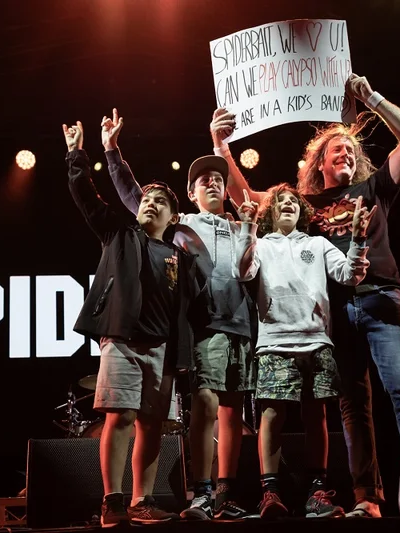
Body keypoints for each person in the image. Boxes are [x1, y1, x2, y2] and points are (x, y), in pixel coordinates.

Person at [215, 72, 400, 516]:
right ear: (320, 163)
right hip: (334, 313)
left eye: (352, 148)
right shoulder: (304, 205)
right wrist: (222, 148)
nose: (347, 151)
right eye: (337, 149)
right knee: (353, 406)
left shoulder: (374, 189)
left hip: (382, 300)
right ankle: (366, 498)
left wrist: (372, 99)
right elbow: (248, 195)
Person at [100, 108, 260, 521]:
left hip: (240, 324)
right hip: (202, 327)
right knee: (204, 404)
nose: (213, 181)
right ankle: (201, 491)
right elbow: (135, 198)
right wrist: (113, 152)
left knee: (233, 410)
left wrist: (223, 147)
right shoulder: (181, 224)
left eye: (219, 178)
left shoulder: (242, 222)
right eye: (203, 179)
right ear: (189, 195)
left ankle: (225, 492)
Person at [63, 120, 203, 526]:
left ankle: (143, 501)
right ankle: (113, 501)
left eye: (160, 200)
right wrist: (78, 154)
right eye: (147, 197)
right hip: (122, 340)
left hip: (161, 348)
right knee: (120, 417)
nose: (151, 202)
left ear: (173, 215)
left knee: (152, 425)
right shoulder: (118, 233)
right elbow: (85, 195)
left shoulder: (181, 256)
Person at [246, 183, 373, 519]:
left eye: (293, 201)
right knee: (272, 414)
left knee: (315, 414)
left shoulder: (318, 244)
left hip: (316, 339)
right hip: (274, 339)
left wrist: (359, 238)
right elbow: (243, 272)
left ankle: (317, 492)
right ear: (272, 212)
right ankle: (269, 492)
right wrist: (247, 232)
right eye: (280, 202)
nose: (287, 204)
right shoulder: (261, 244)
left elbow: (349, 275)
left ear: (302, 212)